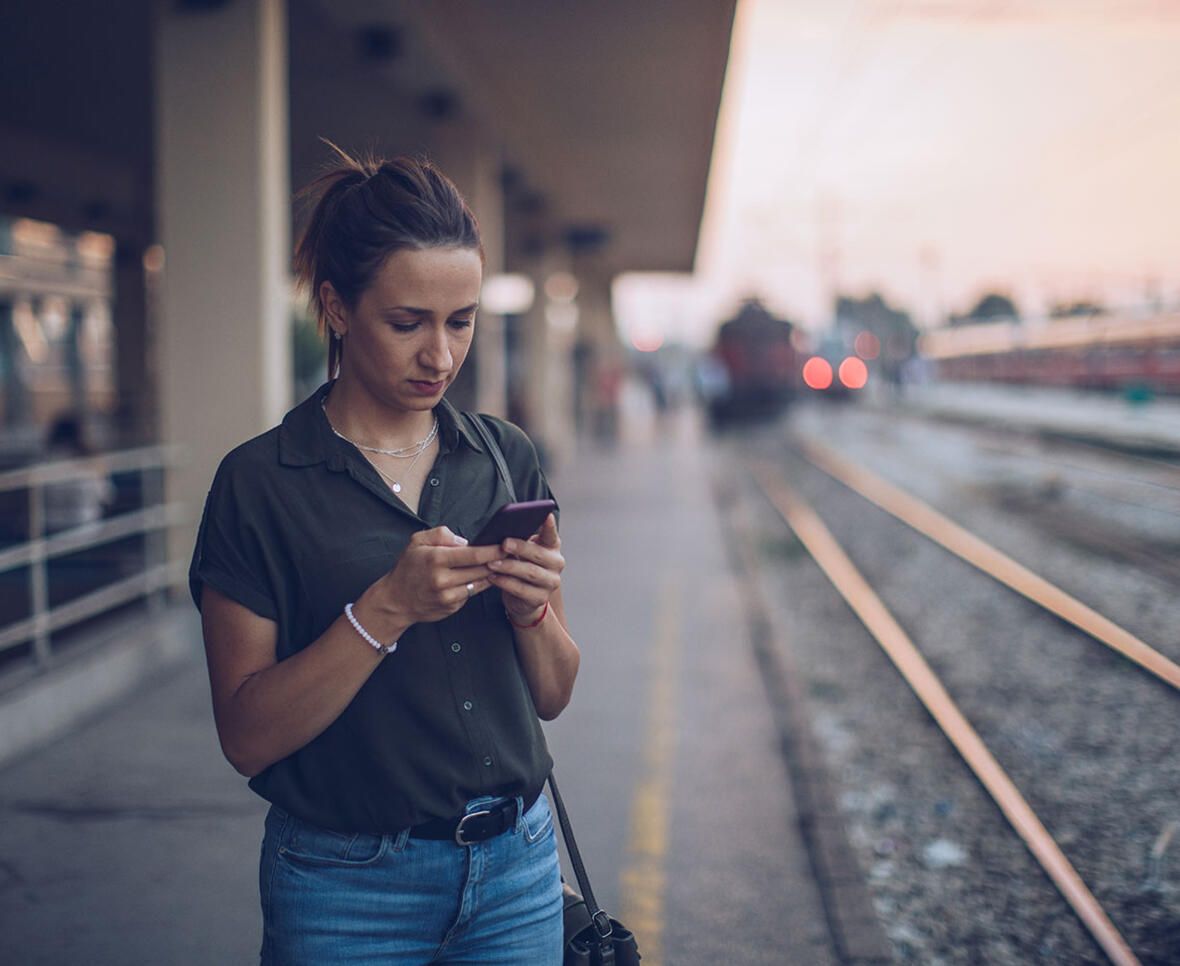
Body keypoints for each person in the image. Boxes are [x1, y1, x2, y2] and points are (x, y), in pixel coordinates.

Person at [189, 149, 580, 965]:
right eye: (408, 323)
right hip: (344, 889)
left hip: (516, 874)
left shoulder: (503, 456)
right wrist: (383, 610)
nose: (440, 356)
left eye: (461, 321)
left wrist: (530, 610)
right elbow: (245, 737)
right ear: (334, 307)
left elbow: (554, 693)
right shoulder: (259, 482)